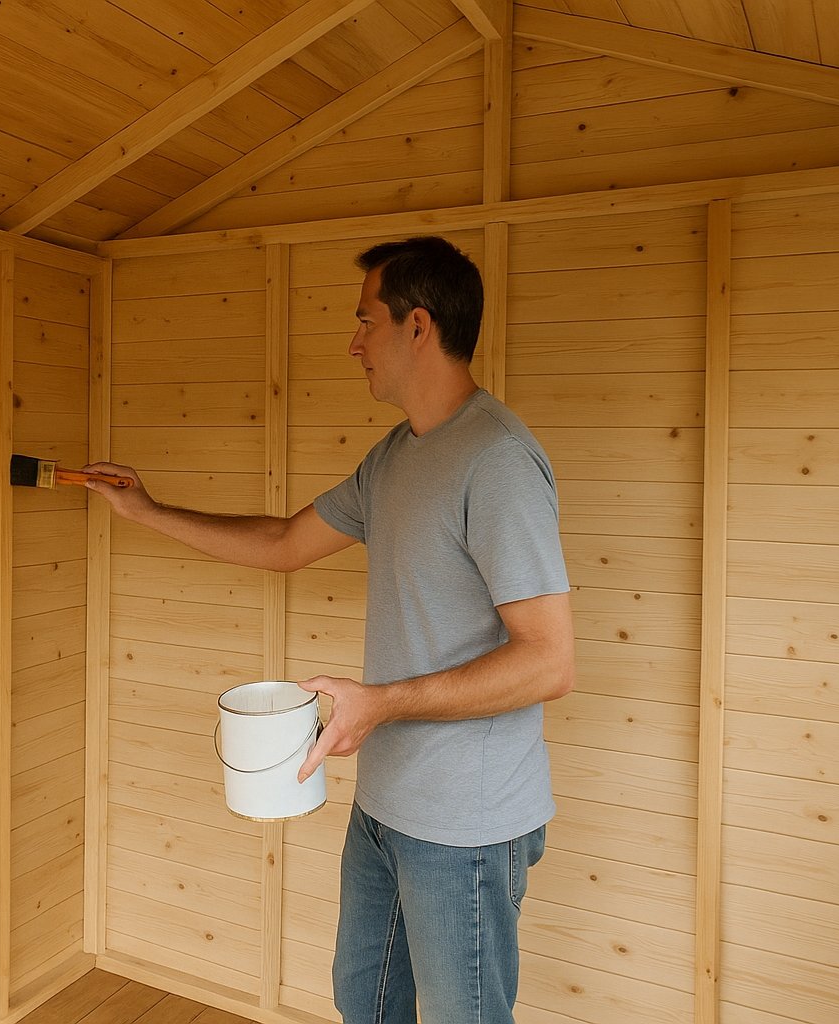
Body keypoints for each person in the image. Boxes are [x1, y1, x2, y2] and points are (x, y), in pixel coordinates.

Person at [82, 235, 575, 1024]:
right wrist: (147, 510)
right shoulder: (395, 458)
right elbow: (284, 544)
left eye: (364, 321)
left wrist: (377, 702)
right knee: (365, 1006)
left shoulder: (498, 459)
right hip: (385, 805)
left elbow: (548, 662)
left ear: (418, 326)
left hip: (468, 827)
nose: (353, 344)